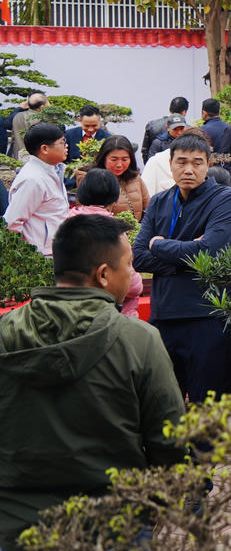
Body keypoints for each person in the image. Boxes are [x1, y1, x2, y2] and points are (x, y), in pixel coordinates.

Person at [0, 214, 186, 550]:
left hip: (17, 524)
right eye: (129, 266)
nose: (132, 274)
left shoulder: (4, 333)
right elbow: (169, 439)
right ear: (103, 274)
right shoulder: (138, 340)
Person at [132, 133, 231, 402]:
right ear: (170, 164)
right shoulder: (159, 202)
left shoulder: (225, 199)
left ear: (208, 164)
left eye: (197, 163)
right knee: (164, 404)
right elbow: (137, 257)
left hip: (208, 316)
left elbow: (210, 250)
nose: (189, 170)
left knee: (210, 406)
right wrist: (189, 255)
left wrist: (158, 245)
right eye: (181, 162)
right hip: (165, 314)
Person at [68, 168, 144, 317]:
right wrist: (138, 283)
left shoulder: (67, 224)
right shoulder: (113, 233)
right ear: (114, 199)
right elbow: (130, 283)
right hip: (110, 315)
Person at [3, 123, 69, 255]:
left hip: (55, 250)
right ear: (45, 149)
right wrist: (28, 255)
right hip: (42, 255)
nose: (66, 146)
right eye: (62, 142)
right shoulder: (33, 179)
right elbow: (11, 222)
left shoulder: (51, 169)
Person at [76, 134, 149, 221]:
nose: (119, 165)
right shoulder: (90, 179)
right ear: (104, 158)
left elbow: (149, 206)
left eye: (125, 159)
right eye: (114, 159)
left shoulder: (135, 178)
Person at [140, 96, 187, 160]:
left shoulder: (152, 125)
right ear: (184, 112)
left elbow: (145, 151)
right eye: (175, 129)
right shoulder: (190, 130)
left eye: (181, 129)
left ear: (170, 108)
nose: (179, 132)